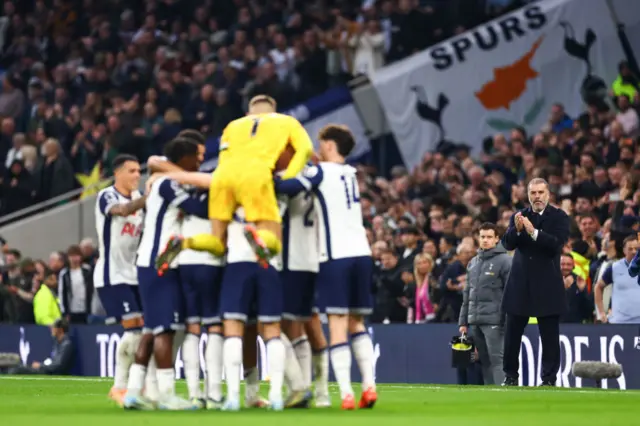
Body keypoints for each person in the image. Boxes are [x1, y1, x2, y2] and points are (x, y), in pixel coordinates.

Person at [278, 124, 376, 409]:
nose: (317, 149)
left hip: (336, 256)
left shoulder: (320, 172)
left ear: (330, 145)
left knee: (337, 325)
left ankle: (346, 393)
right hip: (362, 253)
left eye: (321, 144)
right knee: (358, 323)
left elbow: (286, 186)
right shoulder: (351, 173)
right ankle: (369, 387)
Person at [157, 95, 314, 269]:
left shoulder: (232, 126)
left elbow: (223, 157)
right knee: (273, 240)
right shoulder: (286, 121)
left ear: (249, 112)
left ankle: (185, 243)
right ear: (273, 109)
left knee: (218, 243)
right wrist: (286, 178)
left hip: (223, 177)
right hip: (256, 175)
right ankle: (259, 238)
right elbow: (305, 150)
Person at [124, 138, 207, 410]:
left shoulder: (164, 181)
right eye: (196, 157)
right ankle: (167, 394)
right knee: (165, 331)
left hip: (150, 262)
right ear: (184, 158)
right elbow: (198, 209)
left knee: (150, 330)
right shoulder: (169, 184)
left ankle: (134, 392)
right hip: (160, 264)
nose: (198, 163)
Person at [501, 177, 570, 387]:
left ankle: (548, 379)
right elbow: (506, 243)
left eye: (541, 192)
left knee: (549, 336)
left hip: (547, 284)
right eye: (533, 193)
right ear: (528, 195)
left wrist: (533, 232)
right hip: (520, 283)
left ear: (548, 194)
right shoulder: (519, 215)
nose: (537, 197)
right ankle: (510, 376)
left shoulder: (559, 217)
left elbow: (556, 245)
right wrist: (517, 230)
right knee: (512, 335)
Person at [274, 161, 332, 406]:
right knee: (305, 326)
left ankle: (301, 386)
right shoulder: (315, 171)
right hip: (313, 258)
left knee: (274, 325)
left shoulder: (282, 178)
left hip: (290, 262)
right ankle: (316, 391)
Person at [93, 154, 146, 405]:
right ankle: (120, 386)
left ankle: (135, 386)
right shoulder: (108, 196)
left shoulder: (139, 199)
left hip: (134, 274)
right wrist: (152, 196)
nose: (137, 175)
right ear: (118, 173)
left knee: (143, 331)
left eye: (139, 171)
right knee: (134, 329)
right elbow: (122, 211)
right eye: (132, 171)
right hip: (111, 275)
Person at [458, 222, 511, 385]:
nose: (485, 240)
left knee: (497, 360)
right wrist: (463, 321)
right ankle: (491, 394)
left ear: (497, 239)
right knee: (484, 361)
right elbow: (467, 294)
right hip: (475, 320)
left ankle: (502, 394)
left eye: (489, 237)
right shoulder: (473, 263)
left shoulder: (505, 261)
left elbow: (511, 293)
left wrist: (508, 319)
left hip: (495, 320)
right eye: (482, 237)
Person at [595, 235, 640, 323]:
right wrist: (601, 313)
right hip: (620, 323)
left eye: (637, 248)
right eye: (630, 249)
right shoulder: (614, 268)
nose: (634, 251)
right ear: (624, 250)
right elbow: (598, 287)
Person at [5, 318, 73, 375]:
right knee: (17, 368)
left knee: (17, 370)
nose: (51, 329)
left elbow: (58, 365)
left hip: (49, 372)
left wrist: (41, 366)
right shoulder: (58, 343)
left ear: (60, 329)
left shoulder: (66, 345)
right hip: (47, 370)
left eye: (53, 327)